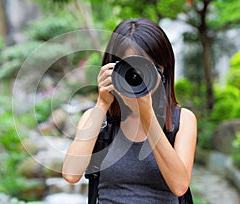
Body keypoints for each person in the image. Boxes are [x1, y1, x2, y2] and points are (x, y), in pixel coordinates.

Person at [62, 18, 197, 204]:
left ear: (164, 71)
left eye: (147, 68)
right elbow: (70, 174)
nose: (138, 76)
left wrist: (147, 113)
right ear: (113, 69)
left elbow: (180, 186)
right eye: (130, 68)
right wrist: (102, 104)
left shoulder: (181, 120)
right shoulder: (98, 119)